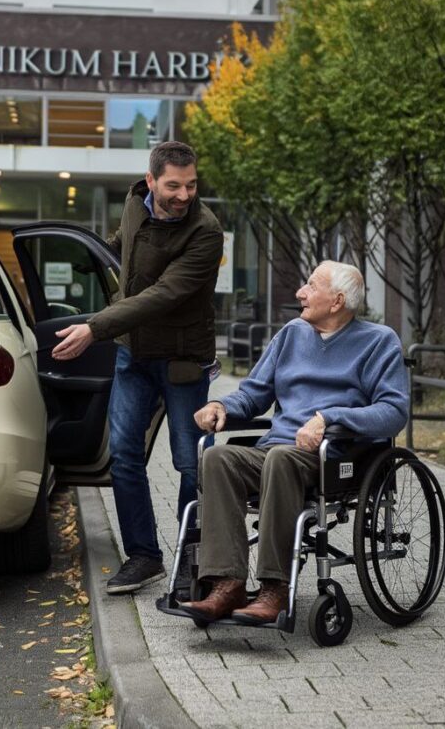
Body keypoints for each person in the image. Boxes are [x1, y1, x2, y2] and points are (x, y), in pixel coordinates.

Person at [180, 261, 408, 624]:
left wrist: (329, 419)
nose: (300, 292)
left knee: (281, 460)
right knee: (217, 458)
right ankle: (227, 584)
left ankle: (275, 588)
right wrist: (220, 405)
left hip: (333, 456)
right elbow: (254, 394)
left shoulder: (378, 342)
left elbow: (394, 411)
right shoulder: (291, 334)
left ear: (336, 301)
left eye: (311, 285)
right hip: (278, 450)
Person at [52, 140, 223, 595]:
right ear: (151, 181)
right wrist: (92, 256)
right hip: (133, 354)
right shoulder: (133, 203)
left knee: (191, 464)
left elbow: (163, 294)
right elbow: (124, 249)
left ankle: (194, 560)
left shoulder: (206, 232)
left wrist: (95, 327)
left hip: (183, 360)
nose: (184, 195)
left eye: (191, 185)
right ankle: (143, 556)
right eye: (173, 185)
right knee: (125, 455)